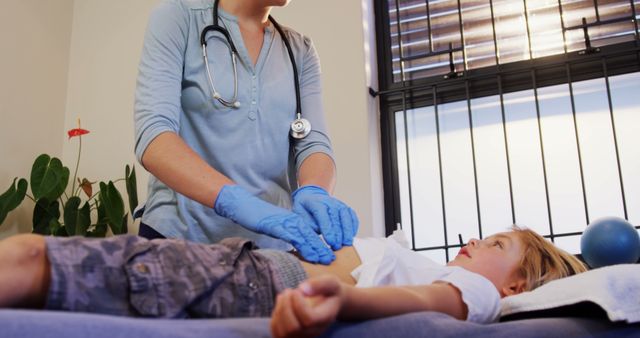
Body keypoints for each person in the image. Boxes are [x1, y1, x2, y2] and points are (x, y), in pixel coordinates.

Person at [0, 225, 585, 333]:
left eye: (496, 246)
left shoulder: (478, 294)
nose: (474, 243)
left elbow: (423, 298)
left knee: (31, 259)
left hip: (262, 278)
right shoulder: (468, 278)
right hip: (253, 268)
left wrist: (341, 296)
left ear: (515, 286)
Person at [134, 0, 358, 264]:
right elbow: (154, 138)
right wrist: (239, 203)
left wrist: (315, 191)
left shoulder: (300, 50)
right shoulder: (179, 17)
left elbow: (313, 143)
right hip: (178, 240)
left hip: (271, 251)